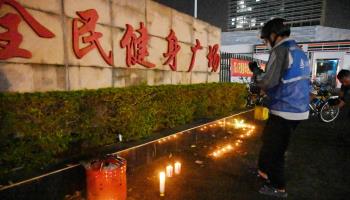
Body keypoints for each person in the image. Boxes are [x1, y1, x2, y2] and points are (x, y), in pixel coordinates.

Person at [248, 18, 311, 198]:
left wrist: (255, 72)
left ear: (274, 35)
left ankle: (278, 186)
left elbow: (268, 81)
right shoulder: (298, 51)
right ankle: (263, 170)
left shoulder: (281, 50)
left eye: (266, 39)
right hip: (298, 108)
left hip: (285, 108)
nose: (266, 43)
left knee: (275, 149)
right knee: (268, 141)